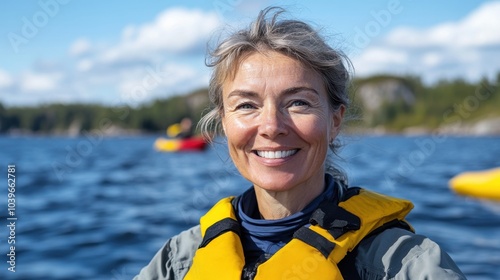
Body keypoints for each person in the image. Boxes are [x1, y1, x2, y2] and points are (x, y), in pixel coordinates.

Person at [135, 7, 466, 280]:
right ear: (224, 123)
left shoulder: (404, 265)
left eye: (298, 103)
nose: (272, 127)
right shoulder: (177, 262)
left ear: (335, 120)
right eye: (246, 105)